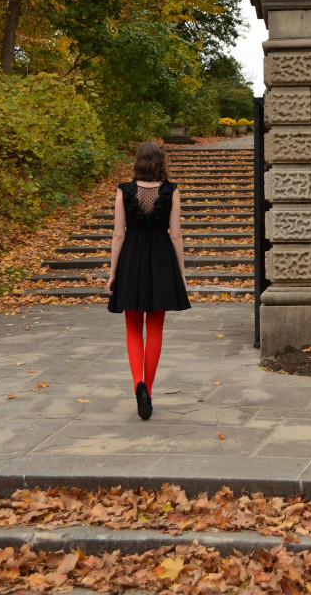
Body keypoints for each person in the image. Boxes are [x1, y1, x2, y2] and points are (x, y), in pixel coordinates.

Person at [107, 141, 190, 419]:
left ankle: (137, 385)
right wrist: (181, 272)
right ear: (161, 162)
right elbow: (176, 235)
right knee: (155, 328)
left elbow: (118, 235)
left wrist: (112, 272)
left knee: (133, 328)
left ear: (137, 162)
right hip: (161, 262)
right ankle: (149, 391)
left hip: (131, 259)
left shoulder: (123, 190)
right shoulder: (172, 190)